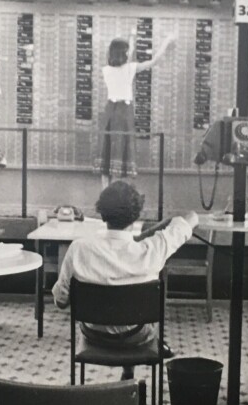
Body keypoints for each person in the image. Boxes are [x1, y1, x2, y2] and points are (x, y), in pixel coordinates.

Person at [52, 181, 197, 379]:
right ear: (136, 215)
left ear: (102, 212)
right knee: (138, 318)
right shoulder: (152, 249)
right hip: (135, 336)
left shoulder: (79, 248)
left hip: (94, 334)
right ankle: (129, 371)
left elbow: (60, 301)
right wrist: (169, 222)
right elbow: (190, 218)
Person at [93, 34, 174, 188]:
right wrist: (167, 41)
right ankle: (115, 198)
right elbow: (154, 61)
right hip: (124, 112)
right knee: (119, 153)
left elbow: (126, 57)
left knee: (107, 156)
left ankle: (105, 197)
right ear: (124, 53)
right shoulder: (130, 68)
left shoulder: (106, 70)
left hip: (109, 111)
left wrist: (132, 38)